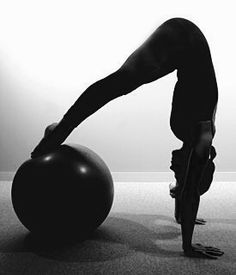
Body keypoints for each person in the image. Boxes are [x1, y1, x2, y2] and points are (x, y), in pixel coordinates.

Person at [31, 17, 224, 259]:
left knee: (124, 82)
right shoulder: (202, 136)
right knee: (121, 82)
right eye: (180, 175)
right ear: (198, 161)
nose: (173, 171)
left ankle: (61, 128)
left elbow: (187, 186)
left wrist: (183, 213)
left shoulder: (191, 139)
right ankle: (59, 131)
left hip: (182, 53)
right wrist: (188, 246)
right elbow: (190, 190)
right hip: (181, 38)